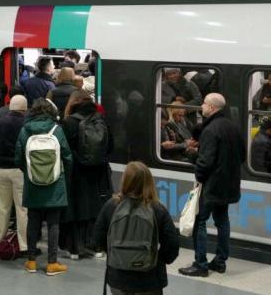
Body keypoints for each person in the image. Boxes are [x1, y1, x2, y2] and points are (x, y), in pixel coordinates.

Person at [179, 93, 244, 277]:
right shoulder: (233, 127)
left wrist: (192, 156)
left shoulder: (210, 130)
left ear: (212, 108)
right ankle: (220, 261)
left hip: (211, 185)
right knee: (222, 221)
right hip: (228, 184)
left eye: (204, 103)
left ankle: (200, 264)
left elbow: (205, 162)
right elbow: (242, 156)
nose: (202, 106)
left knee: (199, 221)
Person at [94, 161, 180, 295]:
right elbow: (172, 246)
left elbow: (97, 240)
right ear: (149, 182)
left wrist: (117, 253)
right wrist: (157, 259)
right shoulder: (158, 209)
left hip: (118, 277)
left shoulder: (111, 206)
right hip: (150, 279)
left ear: (125, 181)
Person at [15, 99, 72, 276]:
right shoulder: (57, 130)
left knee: (33, 222)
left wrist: (30, 172)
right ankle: (52, 263)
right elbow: (68, 157)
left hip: (32, 185)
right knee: (54, 224)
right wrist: (62, 176)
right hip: (55, 185)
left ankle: (31, 261)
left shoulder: (25, 130)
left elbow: (18, 158)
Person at [60, 90, 113, 259]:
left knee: (76, 209)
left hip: (76, 174)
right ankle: (97, 247)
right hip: (99, 174)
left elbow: (64, 150)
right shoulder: (102, 120)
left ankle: (75, 249)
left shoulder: (69, 122)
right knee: (97, 209)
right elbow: (111, 145)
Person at [0, 94, 29, 253]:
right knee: (22, 210)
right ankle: (24, 245)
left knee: (2, 209)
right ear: (25, 108)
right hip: (19, 172)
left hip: (1, 170)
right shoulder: (26, 124)